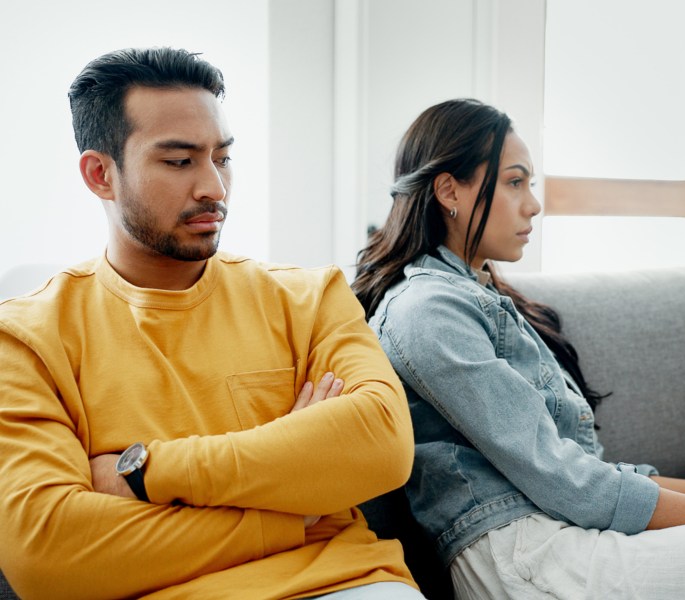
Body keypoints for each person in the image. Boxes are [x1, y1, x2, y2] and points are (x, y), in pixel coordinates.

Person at [0, 47, 425, 600]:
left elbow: (383, 445)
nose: (214, 189)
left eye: (221, 158)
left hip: (350, 586)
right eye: (179, 162)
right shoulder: (26, 338)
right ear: (100, 173)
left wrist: (144, 471)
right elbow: (47, 554)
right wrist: (285, 511)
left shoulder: (310, 296)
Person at [353, 97, 685, 599]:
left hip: (561, 529)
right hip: (526, 557)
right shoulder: (427, 312)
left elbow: (584, 475)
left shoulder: (477, 294)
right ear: (449, 190)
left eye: (530, 184)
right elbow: (573, 485)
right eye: (514, 182)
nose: (533, 204)